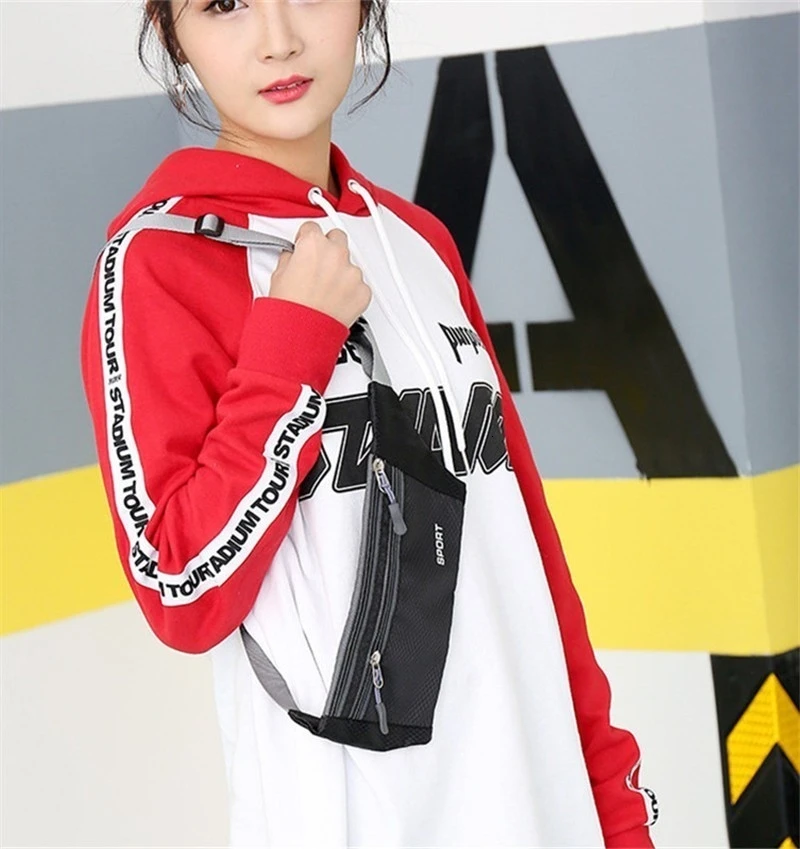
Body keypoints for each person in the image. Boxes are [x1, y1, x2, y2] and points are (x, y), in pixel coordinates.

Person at [79, 0, 659, 846]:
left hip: (546, 811)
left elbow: (528, 551)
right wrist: (290, 345)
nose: (279, 39)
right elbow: (183, 594)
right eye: (226, 5)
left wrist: (615, 807)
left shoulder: (417, 242)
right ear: (174, 31)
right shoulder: (159, 262)